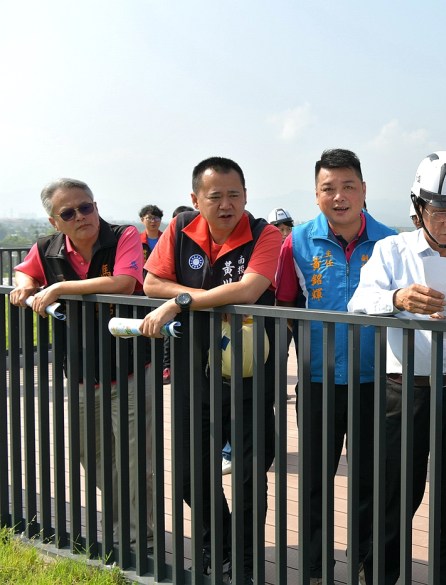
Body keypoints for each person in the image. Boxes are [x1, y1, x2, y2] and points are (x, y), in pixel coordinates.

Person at [139, 157, 282, 582]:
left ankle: (246, 560)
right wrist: (189, 297)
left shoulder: (265, 233)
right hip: (192, 372)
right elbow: (150, 283)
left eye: (234, 195)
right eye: (215, 196)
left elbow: (249, 289)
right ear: (195, 199)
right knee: (189, 474)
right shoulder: (180, 228)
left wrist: (180, 301)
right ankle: (216, 544)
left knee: (250, 475)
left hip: (251, 374)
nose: (226, 205)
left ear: (246, 195)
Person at [348, 150, 446, 585]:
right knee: (392, 495)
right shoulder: (392, 251)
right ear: (418, 208)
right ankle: (380, 577)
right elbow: (358, 303)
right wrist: (397, 298)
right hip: (401, 391)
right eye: (440, 210)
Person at [9, 178, 156, 549]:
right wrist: (25, 283)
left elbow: (124, 282)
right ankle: (125, 523)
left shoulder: (122, 236)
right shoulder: (47, 248)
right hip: (79, 372)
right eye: (68, 212)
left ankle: (140, 537)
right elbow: (26, 270)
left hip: (130, 367)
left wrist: (58, 288)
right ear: (54, 222)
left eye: (86, 206)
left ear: (96, 206)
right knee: (91, 455)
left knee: (135, 459)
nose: (80, 216)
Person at [275, 148, 395, 583]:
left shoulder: (389, 242)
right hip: (317, 380)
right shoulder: (297, 241)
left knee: (371, 480)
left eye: (348, 186)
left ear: (364, 190)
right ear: (316, 194)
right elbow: (285, 306)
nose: (339, 196)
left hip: (377, 381)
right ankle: (314, 566)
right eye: (329, 188)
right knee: (314, 480)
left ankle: (367, 563)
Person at [161, 205, 194, 386]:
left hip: (192, 302)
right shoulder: (170, 240)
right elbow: (153, 283)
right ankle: (167, 366)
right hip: (175, 300)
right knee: (170, 335)